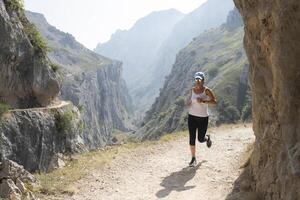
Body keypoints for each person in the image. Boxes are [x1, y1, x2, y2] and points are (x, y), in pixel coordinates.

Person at [186, 71, 217, 167]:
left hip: (203, 118)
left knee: (200, 139)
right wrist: (188, 103)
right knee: (192, 137)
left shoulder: (207, 91)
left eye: (199, 79)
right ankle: (193, 158)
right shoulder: (192, 90)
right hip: (192, 116)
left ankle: (207, 138)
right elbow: (188, 100)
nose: (198, 81)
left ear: (203, 80)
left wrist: (203, 100)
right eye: (196, 79)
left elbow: (214, 102)